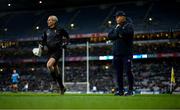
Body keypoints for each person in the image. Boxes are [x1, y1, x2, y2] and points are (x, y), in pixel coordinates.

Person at [40, 15, 69, 95]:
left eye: (49, 20)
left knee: (49, 65)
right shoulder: (46, 31)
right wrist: (41, 47)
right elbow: (43, 41)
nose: (48, 21)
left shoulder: (60, 29)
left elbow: (67, 37)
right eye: (48, 20)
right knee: (55, 69)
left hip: (57, 51)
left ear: (54, 21)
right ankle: (62, 88)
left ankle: (54, 81)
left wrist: (65, 44)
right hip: (49, 52)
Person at [108, 11, 134, 96]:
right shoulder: (116, 27)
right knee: (118, 73)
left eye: (118, 16)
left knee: (128, 71)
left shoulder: (129, 25)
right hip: (117, 54)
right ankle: (120, 90)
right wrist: (119, 34)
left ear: (123, 17)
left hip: (126, 53)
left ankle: (130, 90)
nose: (116, 18)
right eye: (116, 17)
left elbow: (127, 34)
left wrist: (119, 32)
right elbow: (110, 35)